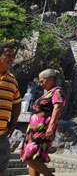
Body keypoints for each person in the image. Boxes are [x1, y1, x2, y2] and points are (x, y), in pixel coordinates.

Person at [21, 69, 66, 176]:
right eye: (40, 81)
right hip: (33, 130)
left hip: (43, 129)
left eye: (43, 81)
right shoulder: (48, 93)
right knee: (35, 160)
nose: (41, 84)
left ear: (52, 79)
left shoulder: (57, 91)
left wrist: (51, 127)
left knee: (30, 157)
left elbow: (58, 107)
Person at [0, 43, 22, 176]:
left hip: (1, 136)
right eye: (8, 55)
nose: (11, 59)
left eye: (13, 56)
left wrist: (13, 123)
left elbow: (17, 103)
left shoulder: (12, 80)